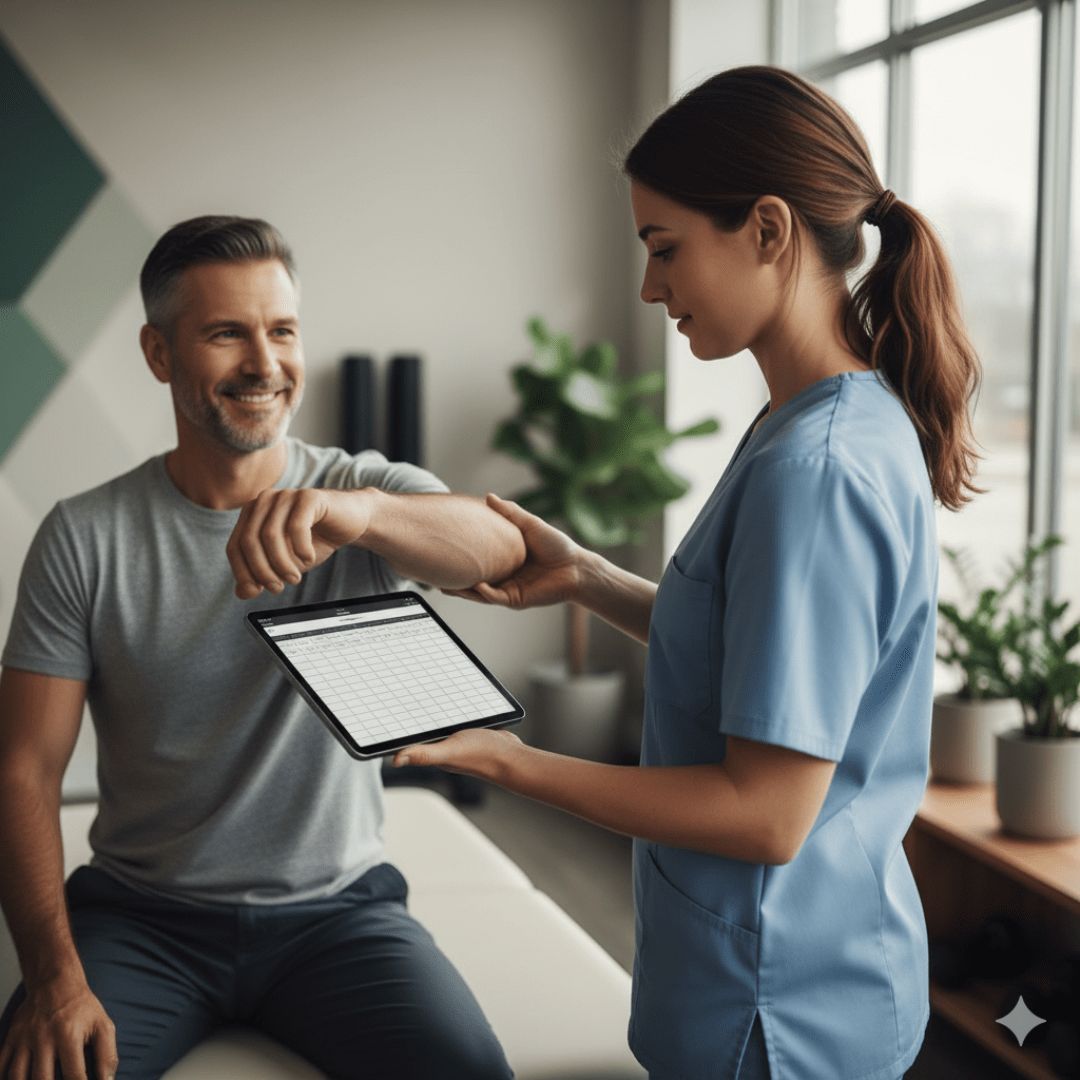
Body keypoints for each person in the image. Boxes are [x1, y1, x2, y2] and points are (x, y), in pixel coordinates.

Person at [394, 66, 981, 1080]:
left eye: (665, 249)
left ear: (767, 229)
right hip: (785, 979)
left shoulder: (817, 468)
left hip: (779, 1013)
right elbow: (758, 653)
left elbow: (766, 813)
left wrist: (508, 762)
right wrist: (585, 576)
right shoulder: (827, 420)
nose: (650, 287)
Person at [0, 216, 525, 1080]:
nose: (264, 363)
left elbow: (500, 553)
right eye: (225, 333)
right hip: (141, 919)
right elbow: (24, 768)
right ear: (159, 354)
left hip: (339, 918)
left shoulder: (369, 491)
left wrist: (353, 513)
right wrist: (54, 978)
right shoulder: (84, 537)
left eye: (282, 330)